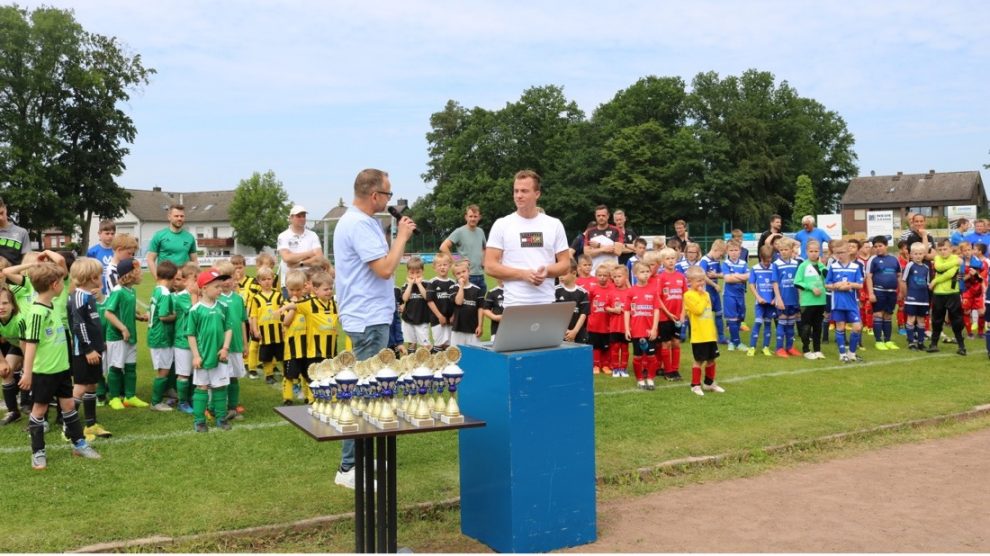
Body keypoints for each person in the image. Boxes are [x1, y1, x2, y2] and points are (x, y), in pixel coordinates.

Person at [333, 168, 415, 490]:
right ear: (374, 195)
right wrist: (402, 237)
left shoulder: (356, 222)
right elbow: (384, 269)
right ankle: (348, 467)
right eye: (388, 194)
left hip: (370, 316)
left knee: (372, 389)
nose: (390, 201)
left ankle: (362, 457)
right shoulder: (359, 224)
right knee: (365, 393)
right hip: (368, 319)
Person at [20, 263, 100, 469]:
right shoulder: (37, 312)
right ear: (55, 285)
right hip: (44, 372)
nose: (65, 284)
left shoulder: (53, 305)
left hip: (62, 368)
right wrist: (27, 373)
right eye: (62, 281)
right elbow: (31, 344)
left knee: (69, 406)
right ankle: (38, 452)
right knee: (39, 410)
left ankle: (78, 444)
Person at [484, 170, 569, 307]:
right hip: (514, 304)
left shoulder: (554, 224)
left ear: (537, 194)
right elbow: (490, 266)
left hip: (546, 302)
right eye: (516, 191)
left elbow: (565, 264)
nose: (519, 196)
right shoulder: (502, 224)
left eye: (524, 191)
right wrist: (522, 274)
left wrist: (547, 271)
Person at [187, 268, 234, 432]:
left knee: (220, 388)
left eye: (221, 286)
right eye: (217, 287)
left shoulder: (223, 306)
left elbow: (228, 328)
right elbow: (191, 334)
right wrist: (196, 356)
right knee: (202, 388)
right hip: (203, 357)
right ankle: (200, 420)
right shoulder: (195, 310)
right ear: (204, 288)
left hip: (219, 356)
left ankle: (221, 418)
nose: (220, 289)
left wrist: (225, 348)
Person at [103, 258, 150, 409]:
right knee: (116, 367)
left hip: (130, 336)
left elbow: (124, 311)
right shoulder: (117, 291)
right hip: (117, 337)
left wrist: (138, 317)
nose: (141, 275)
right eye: (139, 272)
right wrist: (123, 328)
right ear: (130, 274)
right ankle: (114, 398)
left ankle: (130, 396)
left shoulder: (131, 291)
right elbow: (109, 314)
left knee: (130, 367)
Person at [684, 266, 725, 397]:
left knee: (712, 359)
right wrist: (702, 296)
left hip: (709, 334)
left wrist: (704, 295)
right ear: (689, 281)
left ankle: (709, 383)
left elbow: (708, 312)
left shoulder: (706, 294)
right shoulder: (688, 295)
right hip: (699, 335)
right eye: (698, 281)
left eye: (702, 280)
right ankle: (695, 385)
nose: (701, 283)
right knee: (699, 361)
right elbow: (698, 310)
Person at [217, 262, 249, 420]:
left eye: (228, 277)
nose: (226, 281)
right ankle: (220, 407)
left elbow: (243, 321)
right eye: (222, 278)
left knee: (234, 376)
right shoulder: (216, 299)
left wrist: (245, 343)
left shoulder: (238, 299)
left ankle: (233, 407)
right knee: (221, 377)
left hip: (236, 345)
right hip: (222, 347)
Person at [825, 239, 864, 363]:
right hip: (838, 303)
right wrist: (836, 285)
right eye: (837, 253)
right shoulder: (833, 266)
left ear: (848, 251)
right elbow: (827, 284)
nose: (839, 255)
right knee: (840, 327)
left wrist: (848, 284)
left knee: (857, 327)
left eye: (842, 252)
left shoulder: (855, 267)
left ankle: (851, 353)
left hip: (852, 303)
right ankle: (842, 354)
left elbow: (860, 285)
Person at [926, 239, 967, 354]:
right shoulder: (939, 258)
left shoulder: (955, 257)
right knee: (937, 320)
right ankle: (933, 344)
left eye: (945, 249)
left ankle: (961, 346)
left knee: (956, 320)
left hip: (952, 293)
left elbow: (951, 273)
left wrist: (935, 281)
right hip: (939, 294)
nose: (943, 252)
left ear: (950, 249)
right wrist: (957, 263)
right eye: (940, 250)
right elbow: (939, 268)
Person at [148, 260, 178, 412]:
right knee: (163, 370)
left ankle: (166, 392)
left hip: (157, 335)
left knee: (166, 366)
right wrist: (176, 315)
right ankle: (155, 402)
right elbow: (163, 316)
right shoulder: (166, 293)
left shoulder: (157, 289)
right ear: (172, 278)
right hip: (161, 337)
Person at [624, 261, 660, 390]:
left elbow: (656, 310)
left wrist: (654, 328)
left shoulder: (653, 290)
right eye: (642, 272)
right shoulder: (631, 291)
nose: (645, 274)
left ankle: (650, 378)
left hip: (650, 330)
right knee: (638, 356)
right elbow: (627, 311)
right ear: (635, 274)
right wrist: (627, 328)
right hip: (636, 330)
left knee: (651, 355)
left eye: (647, 272)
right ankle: (639, 379)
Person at [440, 205, 488, 295]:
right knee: (467, 306)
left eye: (475, 216)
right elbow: (443, 246)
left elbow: (484, 248)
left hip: (480, 275)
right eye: (470, 216)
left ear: (479, 217)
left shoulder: (481, 231)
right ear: (466, 217)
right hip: (466, 276)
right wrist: (455, 262)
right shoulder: (459, 232)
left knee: (480, 306)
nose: (473, 219)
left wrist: (483, 261)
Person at [248, 267, 284, 384]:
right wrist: (255, 330)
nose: (267, 282)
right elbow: (254, 316)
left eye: (269, 279)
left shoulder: (278, 295)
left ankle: (286, 374)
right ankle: (269, 375)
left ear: (273, 279)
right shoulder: (256, 298)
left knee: (282, 355)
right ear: (259, 281)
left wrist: (284, 327)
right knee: (266, 356)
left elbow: (284, 312)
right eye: (263, 279)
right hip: (264, 333)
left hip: (279, 332)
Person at [277, 205, 323, 295]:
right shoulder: (283, 236)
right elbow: (287, 258)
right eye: (298, 216)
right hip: (291, 285)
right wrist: (310, 253)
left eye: (303, 216)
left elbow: (319, 258)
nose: (302, 218)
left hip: (310, 284)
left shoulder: (313, 235)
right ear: (291, 218)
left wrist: (299, 264)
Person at [865, 236, 901, 350]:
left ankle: (888, 340)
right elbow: (868, 277)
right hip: (878, 291)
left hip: (892, 292)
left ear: (886, 246)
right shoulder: (873, 260)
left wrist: (900, 292)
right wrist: (871, 293)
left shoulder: (894, 259)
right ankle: (878, 341)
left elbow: (899, 276)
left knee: (888, 316)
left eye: (880, 246)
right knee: (878, 315)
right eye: (875, 247)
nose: (878, 248)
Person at [656, 247, 686, 381]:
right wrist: (668, 313)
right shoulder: (660, 278)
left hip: (678, 317)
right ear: (662, 261)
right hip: (664, 317)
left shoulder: (681, 276)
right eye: (667, 259)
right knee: (666, 344)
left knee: (676, 343)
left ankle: (675, 369)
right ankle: (667, 371)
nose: (670, 261)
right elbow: (658, 298)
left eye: (673, 258)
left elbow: (686, 296)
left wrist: (683, 314)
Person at [794, 239, 827, 359]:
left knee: (818, 327)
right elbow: (797, 282)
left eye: (816, 251)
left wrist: (822, 265)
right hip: (807, 301)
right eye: (811, 251)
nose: (814, 253)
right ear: (806, 252)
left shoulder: (822, 266)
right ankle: (806, 350)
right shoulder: (803, 265)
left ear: (820, 252)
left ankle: (817, 350)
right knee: (806, 327)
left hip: (821, 301)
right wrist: (811, 288)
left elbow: (827, 279)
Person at [147, 204, 198, 279]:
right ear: (169, 217)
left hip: (183, 279)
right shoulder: (159, 236)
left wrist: (195, 278)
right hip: (165, 279)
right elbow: (150, 259)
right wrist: (157, 279)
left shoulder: (190, 237)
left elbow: (194, 260)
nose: (179, 218)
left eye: (182, 216)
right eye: (176, 216)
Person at [771, 238, 802, 357]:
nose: (783, 252)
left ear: (791, 250)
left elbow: (798, 282)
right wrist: (778, 298)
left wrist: (799, 298)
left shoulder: (796, 263)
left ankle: (790, 347)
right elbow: (775, 282)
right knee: (782, 322)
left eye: (786, 249)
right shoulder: (776, 264)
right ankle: (779, 348)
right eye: (781, 250)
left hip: (793, 298)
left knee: (791, 323)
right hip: (782, 299)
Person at [747, 245, 777, 357]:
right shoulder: (755, 268)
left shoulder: (774, 267)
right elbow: (751, 284)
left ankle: (766, 347)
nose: (767, 263)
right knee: (758, 322)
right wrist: (758, 297)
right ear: (761, 257)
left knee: (768, 324)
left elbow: (776, 285)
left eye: (769, 261)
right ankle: (752, 347)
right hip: (760, 303)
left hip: (771, 303)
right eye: (765, 261)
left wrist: (775, 298)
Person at [901, 243, 931, 350]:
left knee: (921, 321)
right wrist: (906, 295)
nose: (918, 256)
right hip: (912, 298)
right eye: (915, 254)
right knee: (911, 319)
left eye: (920, 254)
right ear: (911, 255)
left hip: (923, 299)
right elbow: (903, 280)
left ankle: (921, 342)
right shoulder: (910, 265)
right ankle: (911, 342)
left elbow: (928, 284)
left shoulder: (926, 268)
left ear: (924, 255)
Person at [721, 239, 750, 351]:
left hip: (740, 294)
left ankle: (733, 341)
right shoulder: (726, 263)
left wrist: (736, 275)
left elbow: (748, 276)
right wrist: (741, 276)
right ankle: (737, 343)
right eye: (731, 250)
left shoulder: (743, 263)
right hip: (729, 295)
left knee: (740, 317)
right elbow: (727, 279)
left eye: (736, 250)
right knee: (732, 318)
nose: (733, 252)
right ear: (727, 251)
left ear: (740, 251)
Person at [554, 258, 590, 345]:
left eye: (564, 273)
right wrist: (564, 330)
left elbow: (583, 314)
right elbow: (553, 314)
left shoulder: (583, 292)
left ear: (574, 273)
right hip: (560, 333)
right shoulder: (555, 291)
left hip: (578, 333)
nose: (561, 276)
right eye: (559, 273)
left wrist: (575, 331)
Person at [400, 256, 432, 351]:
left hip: (422, 319)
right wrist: (410, 284)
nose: (415, 275)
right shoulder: (406, 285)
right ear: (408, 273)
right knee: (411, 344)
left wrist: (418, 284)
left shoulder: (427, 283)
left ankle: (426, 362)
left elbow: (427, 297)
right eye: (412, 273)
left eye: (418, 272)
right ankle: (412, 362)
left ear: (423, 271)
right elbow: (405, 298)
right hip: (408, 319)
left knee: (425, 345)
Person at [587, 263, 614, 374]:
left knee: (606, 346)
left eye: (605, 275)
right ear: (596, 276)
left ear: (608, 276)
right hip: (595, 324)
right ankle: (596, 365)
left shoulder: (612, 289)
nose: (602, 277)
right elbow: (589, 304)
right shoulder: (592, 289)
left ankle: (605, 365)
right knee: (596, 346)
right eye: (600, 275)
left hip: (607, 324)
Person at [450, 260, 484, 347]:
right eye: (458, 273)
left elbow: (480, 308)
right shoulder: (454, 288)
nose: (461, 274)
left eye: (464, 271)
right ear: (455, 276)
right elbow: (459, 302)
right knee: (456, 354)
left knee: (474, 354)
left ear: (469, 272)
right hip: (458, 328)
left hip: (472, 328)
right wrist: (461, 286)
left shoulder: (477, 290)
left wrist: (480, 326)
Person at [426, 252, 456, 349]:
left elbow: (456, 302)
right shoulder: (432, 282)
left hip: (450, 320)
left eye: (445, 265)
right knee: (439, 345)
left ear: (449, 266)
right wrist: (439, 316)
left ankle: (448, 364)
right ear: (434, 267)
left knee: (449, 346)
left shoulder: (453, 283)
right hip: (437, 319)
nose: (442, 267)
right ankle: (437, 363)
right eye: (439, 265)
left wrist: (453, 316)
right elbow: (430, 301)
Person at [583, 205, 622, 272]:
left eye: (603, 215)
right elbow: (587, 254)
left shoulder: (616, 230)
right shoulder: (589, 232)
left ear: (608, 216)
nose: (601, 218)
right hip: (595, 272)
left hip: (612, 272)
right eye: (598, 215)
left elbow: (618, 252)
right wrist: (602, 249)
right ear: (595, 216)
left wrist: (599, 246)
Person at [0, 198, 32, 265]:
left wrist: (26, 276)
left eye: (1, 213)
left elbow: (27, 263)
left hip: (14, 274)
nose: (1, 218)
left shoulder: (22, 232)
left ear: (5, 209)